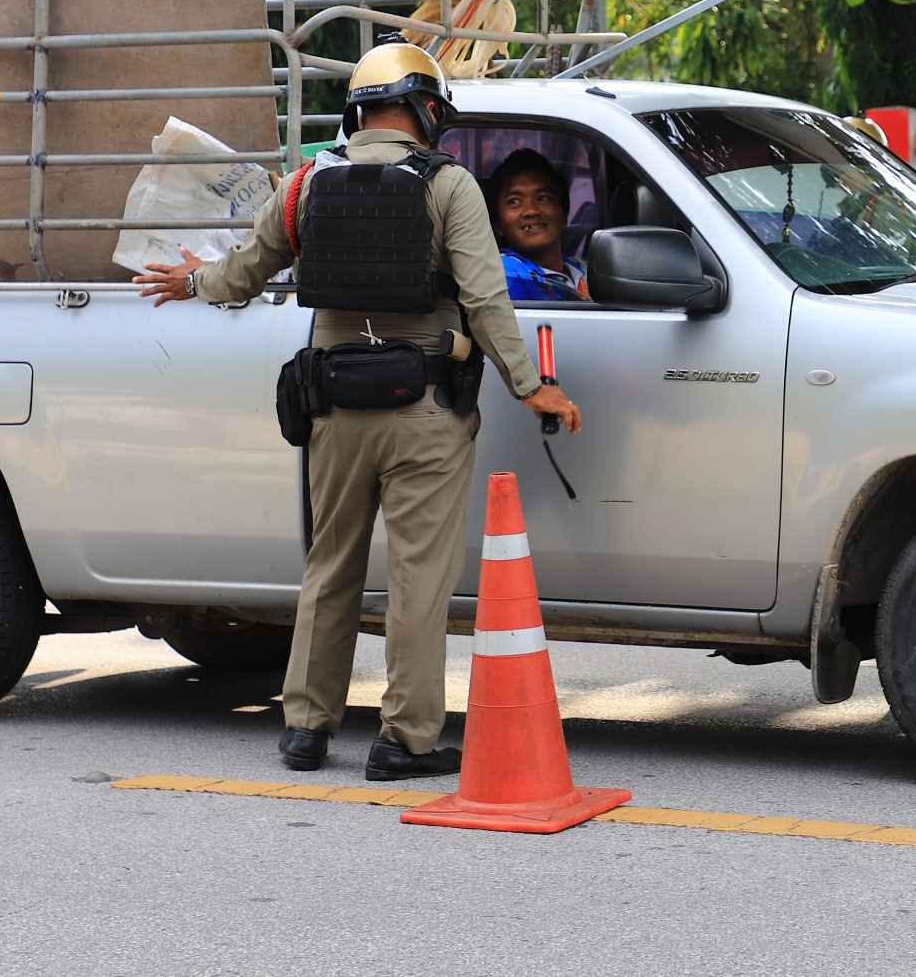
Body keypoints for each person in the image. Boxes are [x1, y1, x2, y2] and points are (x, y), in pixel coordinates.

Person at [133, 42, 582, 781]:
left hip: (335, 408)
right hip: (425, 409)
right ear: (425, 108)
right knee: (416, 576)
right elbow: (484, 298)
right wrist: (531, 383)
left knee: (330, 564)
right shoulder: (450, 185)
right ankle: (403, 740)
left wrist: (192, 282)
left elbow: (246, 271)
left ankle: (307, 726)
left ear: (360, 109)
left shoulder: (308, 181)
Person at [486, 147, 589, 301]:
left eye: (543, 198)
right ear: (498, 225)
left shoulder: (582, 269)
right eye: (514, 201)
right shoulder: (505, 273)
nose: (531, 210)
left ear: (564, 215)